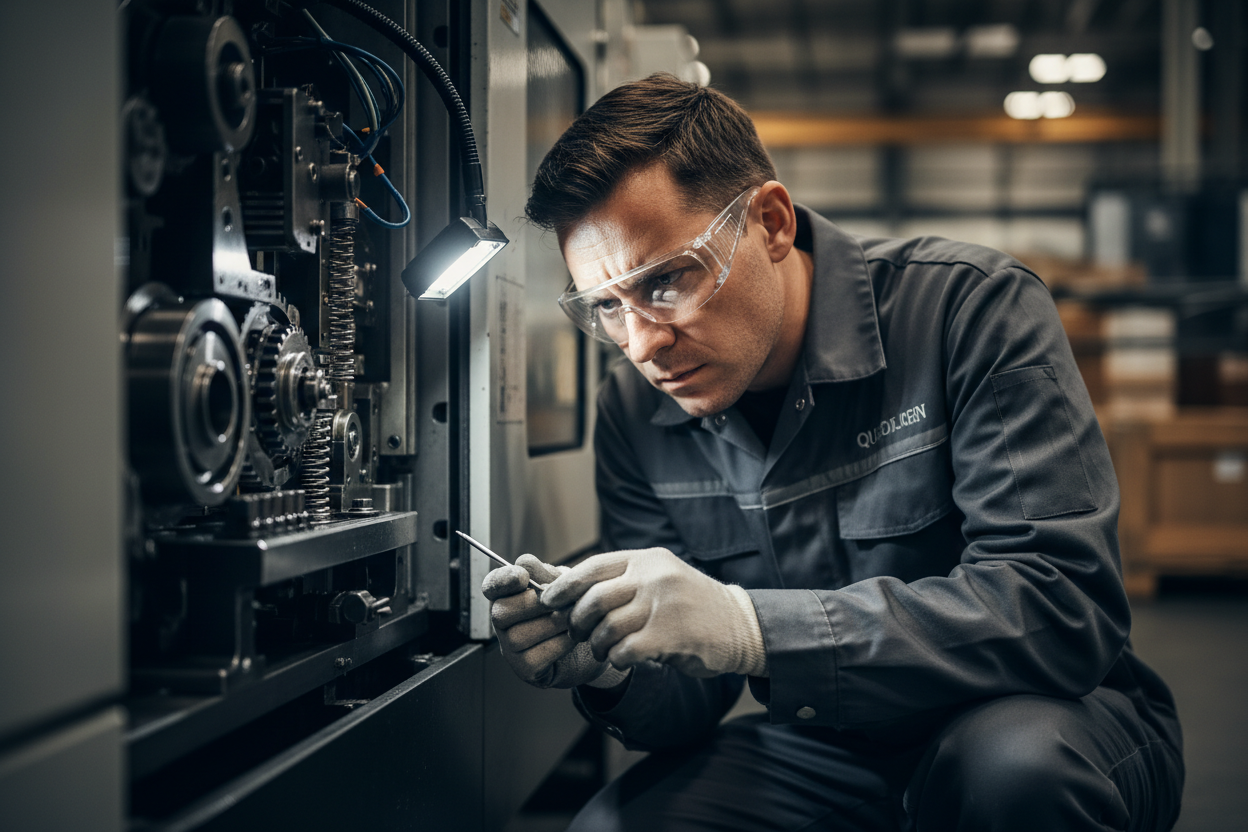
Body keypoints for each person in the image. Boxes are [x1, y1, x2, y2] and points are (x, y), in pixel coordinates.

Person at [482, 73, 1184, 831]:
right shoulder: (632, 411)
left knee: (1012, 776)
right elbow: (683, 711)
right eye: (607, 308)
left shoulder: (969, 310)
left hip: (1044, 716)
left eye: (666, 281)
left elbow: (1059, 608)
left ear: (772, 223)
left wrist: (750, 627)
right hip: (828, 740)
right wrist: (612, 665)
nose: (643, 343)